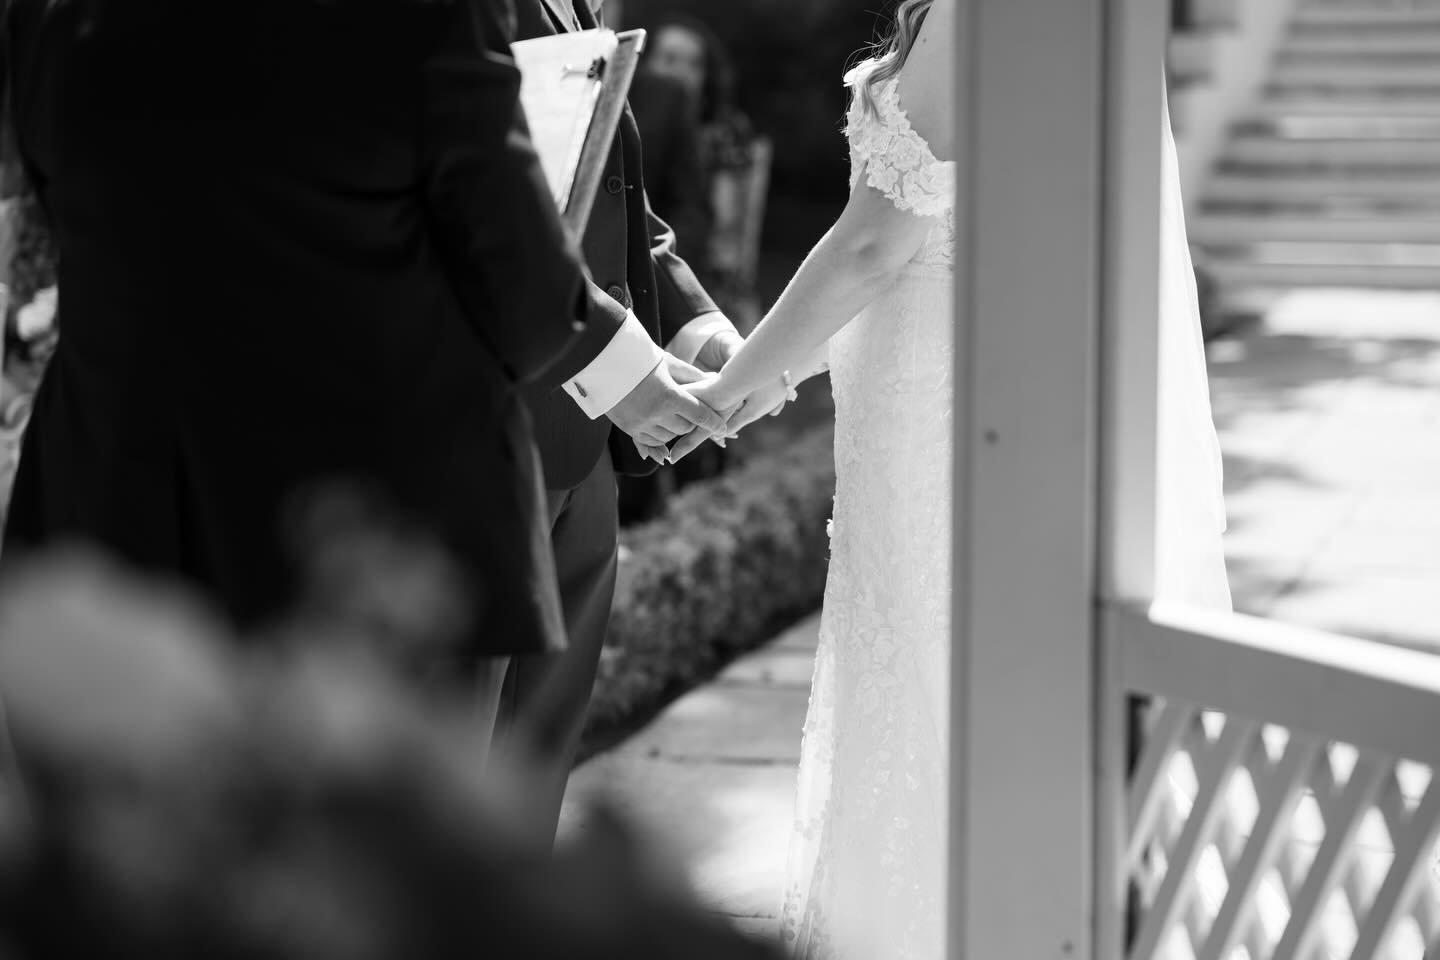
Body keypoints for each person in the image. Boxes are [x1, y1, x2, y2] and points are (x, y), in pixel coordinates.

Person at [677, 0, 1231, 955]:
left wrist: (737, 382)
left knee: (936, 689)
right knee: (947, 684)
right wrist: (774, 371)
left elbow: (871, 247)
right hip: (964, 401)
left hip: (945, 425)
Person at [0, 0, 589, 749]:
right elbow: (533, 306)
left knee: (133, 851)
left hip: (123, 519)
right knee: (376, 857)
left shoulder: (53, 17)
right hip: (370, 547)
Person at [501, 0, 741, 847]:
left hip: (579, 454)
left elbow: (607, 196)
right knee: (450, 786)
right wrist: (619, 370)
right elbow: (487, 204)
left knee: (527, 782)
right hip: (480, 434)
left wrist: (698, 332)